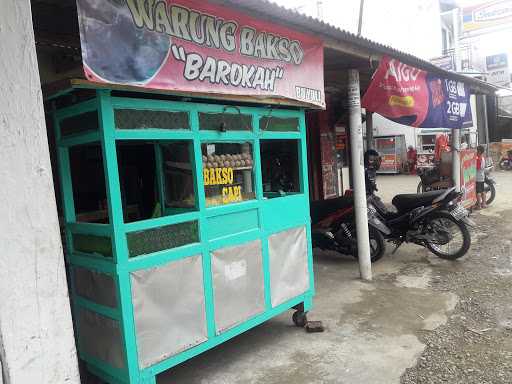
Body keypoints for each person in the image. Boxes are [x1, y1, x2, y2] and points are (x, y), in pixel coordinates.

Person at [475, 145, 486, 210]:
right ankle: (484, 204)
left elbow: (478, 168)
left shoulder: (479, 159)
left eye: (477, 150)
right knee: (483, 191)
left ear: (479, 151)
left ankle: (479, 206)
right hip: (482, 177)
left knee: (478, 192)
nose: (476, 151)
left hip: (478, 177)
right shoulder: (482, 158)